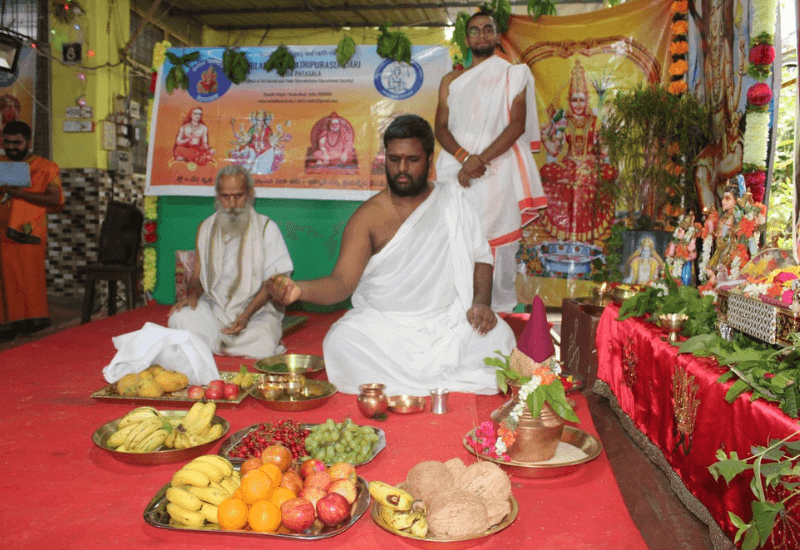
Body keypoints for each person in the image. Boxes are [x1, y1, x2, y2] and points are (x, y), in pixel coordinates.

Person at [267, 114, 516, 395]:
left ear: (430, 161)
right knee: (340, 342)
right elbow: (341, 283)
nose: (402, 168)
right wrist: (299, 289)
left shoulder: (453, 202)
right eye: (394, 159)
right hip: (384, 329)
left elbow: (481, 259)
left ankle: (407, 384)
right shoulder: (368, 218)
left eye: (412, 160)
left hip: (446, 323)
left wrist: (481, 304)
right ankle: (433, 384)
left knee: (499, 338)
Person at [434, 8, 547, 313]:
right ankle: (454, 311)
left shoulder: (514, 74)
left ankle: (499, 314)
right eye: (474, 30)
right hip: (454, 171)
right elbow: (440, 127)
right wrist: (463, 158)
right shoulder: (451, 80)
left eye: (487, 29)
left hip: (495, 172)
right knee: (454, 239)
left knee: (497, 243)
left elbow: (516, 125)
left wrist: (478, 161)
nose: (481, 35)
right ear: (466, 38)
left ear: (497, 36)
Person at [168, 164, 293, 357]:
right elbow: (197, 277)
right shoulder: (206, 228)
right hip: (214, 309)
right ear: (217, 196)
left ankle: (212, 345)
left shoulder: (267, 228)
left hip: (255, 312)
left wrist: (245, 316)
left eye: (238, 196)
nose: (232, 204)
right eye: (226, 197)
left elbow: (273, 284)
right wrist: (191, 295)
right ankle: (216, 341)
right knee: (179, 318)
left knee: (263, 342)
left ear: (250, 193)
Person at [0, 120, 64, 341]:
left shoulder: (46, 167)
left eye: (16, 143)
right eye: (7, 142)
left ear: (28, 142)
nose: (11, 147)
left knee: (27, 276)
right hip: (1, 231)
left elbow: (54, 199)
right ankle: (6, 325)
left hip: (28, 233)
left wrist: (19, 194)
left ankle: (32, 322)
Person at [538, 60, 615, 243]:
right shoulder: (563, 122)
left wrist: (607, 138)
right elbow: (554, 151)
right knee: (545, 171)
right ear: (569, 100)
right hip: (569, 165)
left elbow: (603, 153)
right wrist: (545, 138)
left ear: (587, 100)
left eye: (582, 100)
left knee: (608, 173)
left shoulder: (595, 122)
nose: (578, 104)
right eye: (574, 100)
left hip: (590, 166)